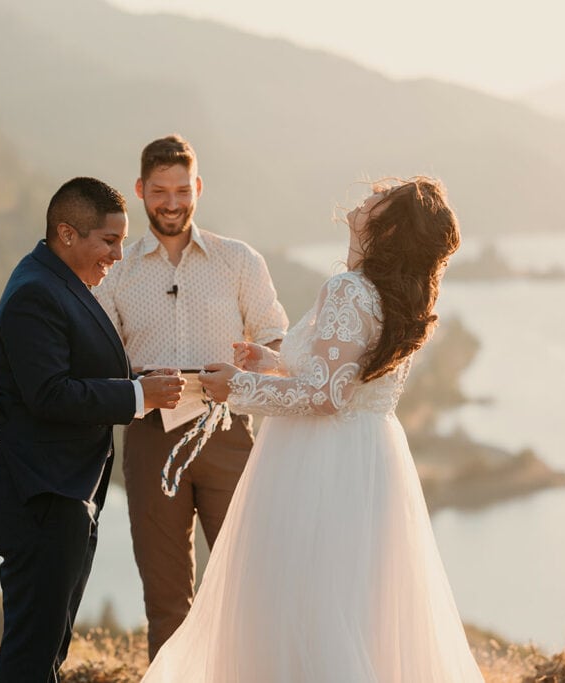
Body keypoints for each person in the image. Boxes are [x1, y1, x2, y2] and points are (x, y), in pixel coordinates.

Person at [143, 177, 486, 681]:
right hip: (370, 462)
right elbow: (341, 374)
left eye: (380, 198)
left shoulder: (349, 289)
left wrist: (236, 387)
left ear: (389, 227)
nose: (368, 195)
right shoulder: (397, 298)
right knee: (356, 608)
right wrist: (274, 362)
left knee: (299, 604)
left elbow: (325, 396)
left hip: (318, 463)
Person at [0, 177, 185, 682]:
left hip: (60, 489)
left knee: (49, 647)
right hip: (34, 490)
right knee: (32, 650)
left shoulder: (58, 280)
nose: (117, 254)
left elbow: (73, 372)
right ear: (66, 233)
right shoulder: (35, 293)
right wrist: (137, 398)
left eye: (122, 241)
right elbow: (49, 394)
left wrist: (136, 382)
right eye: (108, 241)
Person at [93, 134, 289, 659]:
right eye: (160, 191)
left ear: (198, 187)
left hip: (229, 435)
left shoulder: (239, 260)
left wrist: (249, 363)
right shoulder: (118, 273)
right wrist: (137, 381)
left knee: (247, 585)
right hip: (150, 437)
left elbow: (277, 339)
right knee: (166, 597)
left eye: (182, 189)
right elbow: (97, 361)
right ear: (140, 190)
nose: (173, 202)